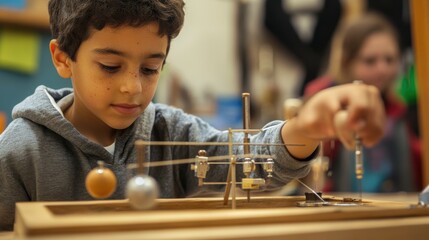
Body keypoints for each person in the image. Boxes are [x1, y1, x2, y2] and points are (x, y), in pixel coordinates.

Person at [0, 0, 385, 231]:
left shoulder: (171, 129)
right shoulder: (19, 153)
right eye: (111, 67)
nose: (133, 88)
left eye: (151, 69)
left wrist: (307, 126)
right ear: (62, 58)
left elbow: (253, 160)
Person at [304, 12, 421, 193]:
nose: (382, 69)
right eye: (370, 61)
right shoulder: (321, 98)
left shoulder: (397, 106)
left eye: (389, 60)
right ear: (346, 62)